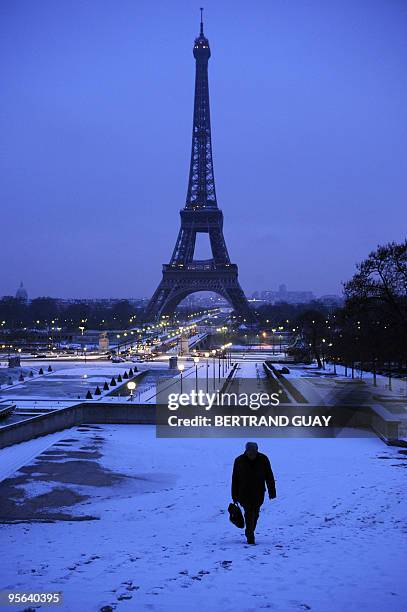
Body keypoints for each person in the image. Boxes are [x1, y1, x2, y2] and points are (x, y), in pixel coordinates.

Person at [231, 442, 276, 544]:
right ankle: (250, 535)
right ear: (246, 451)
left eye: (254, 452)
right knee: (249, 513)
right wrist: (234, 495)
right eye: (249, 452)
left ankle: (250, 530)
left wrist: (272, 491)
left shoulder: (263, 459)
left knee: (255, 514)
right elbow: (235, 479)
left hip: (258, 492)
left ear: (257, 450)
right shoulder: (239, 461)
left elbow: (269, 476)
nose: (252, 454)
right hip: (243, 493)